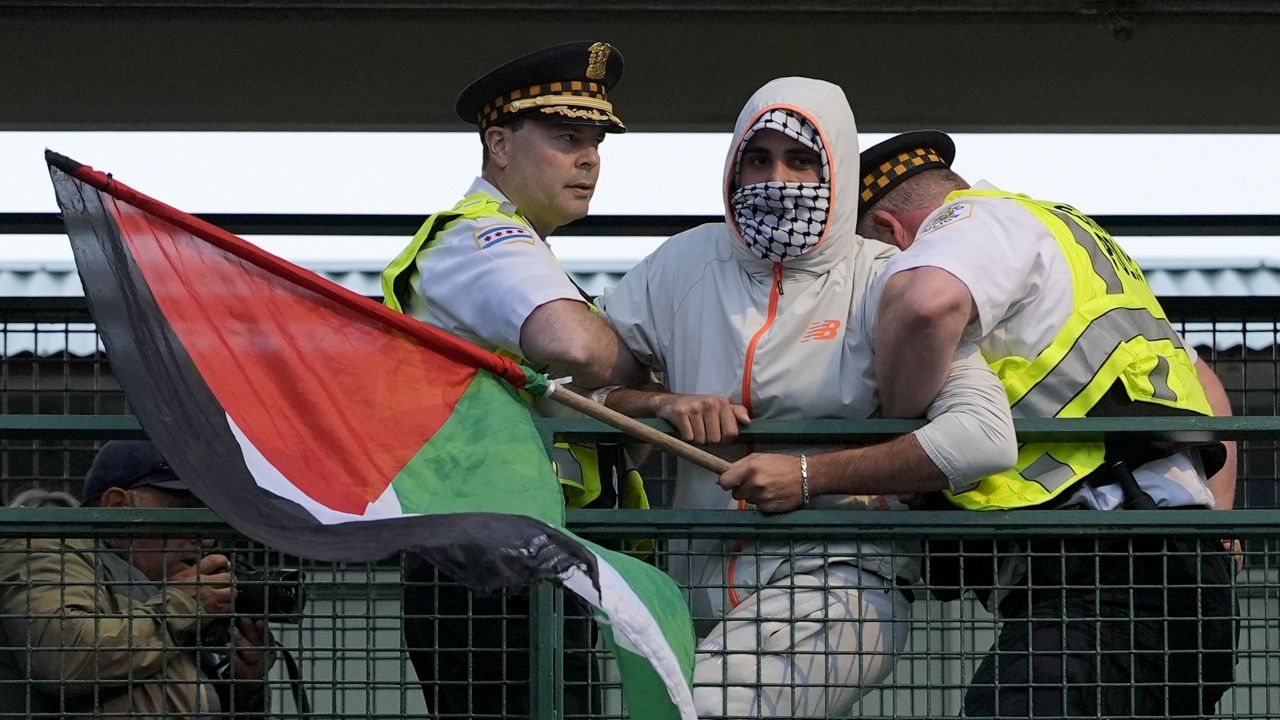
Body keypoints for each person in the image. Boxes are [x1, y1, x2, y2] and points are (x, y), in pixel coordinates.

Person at [598, 77, 1018, 718]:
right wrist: (660, 403)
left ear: (841, 171)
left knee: (705, 712)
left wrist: (807, 474)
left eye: (802, 161)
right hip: (688, 595)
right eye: (758, 159)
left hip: (846, 580)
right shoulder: (681, 264)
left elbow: (984, 437)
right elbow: (577, 392)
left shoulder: (886, 279)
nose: (779, 179)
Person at [859, 130, 1237, 718]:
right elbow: (1208, 387)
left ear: (889, 231)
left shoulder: (964, 224)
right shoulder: (1065, 232)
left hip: (1101, 569)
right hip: (1186, 569)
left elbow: (923, 305)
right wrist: (1222, 525)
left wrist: (909, 445)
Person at [380, 41, 651, 718]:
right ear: (498, 145)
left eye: (595, 142)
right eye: (565, 138)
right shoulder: (483, 238)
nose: (588, 158)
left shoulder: (520, 244)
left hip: (514, 550)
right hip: (489, 560)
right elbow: (575, 346)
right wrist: (643, 367)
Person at [0, 440, 274, 718]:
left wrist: (244, 682)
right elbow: (62, 658)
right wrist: (179, 607)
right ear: (118, 505)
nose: (207, 538)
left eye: (207, 517)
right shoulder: (45, 549)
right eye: (185, 511)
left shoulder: (174, 593)